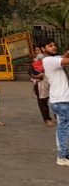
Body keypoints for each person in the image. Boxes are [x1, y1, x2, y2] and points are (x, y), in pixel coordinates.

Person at [39, 37, 69, 165]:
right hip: (61, 100)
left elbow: (63, 56)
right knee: (64, 128)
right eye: (50, 46)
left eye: (54, 45)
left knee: (63, 127)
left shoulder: (54, 59)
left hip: (62, 99)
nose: (54, 47)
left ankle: (63, 154)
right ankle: (62, 157)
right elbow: (66, 60)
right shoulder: (48, 60)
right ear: (43, 49)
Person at [32, 46, 55, 127]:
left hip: (52, 83)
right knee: (43, 102)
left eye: (39, 50)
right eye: (36, 50)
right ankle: (47, 119)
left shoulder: (51, 59)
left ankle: (58, 117)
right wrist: (36, 76)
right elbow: (30, 72)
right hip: (40, 83)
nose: (38, 51)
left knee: (55, 100)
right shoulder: (34, 61)